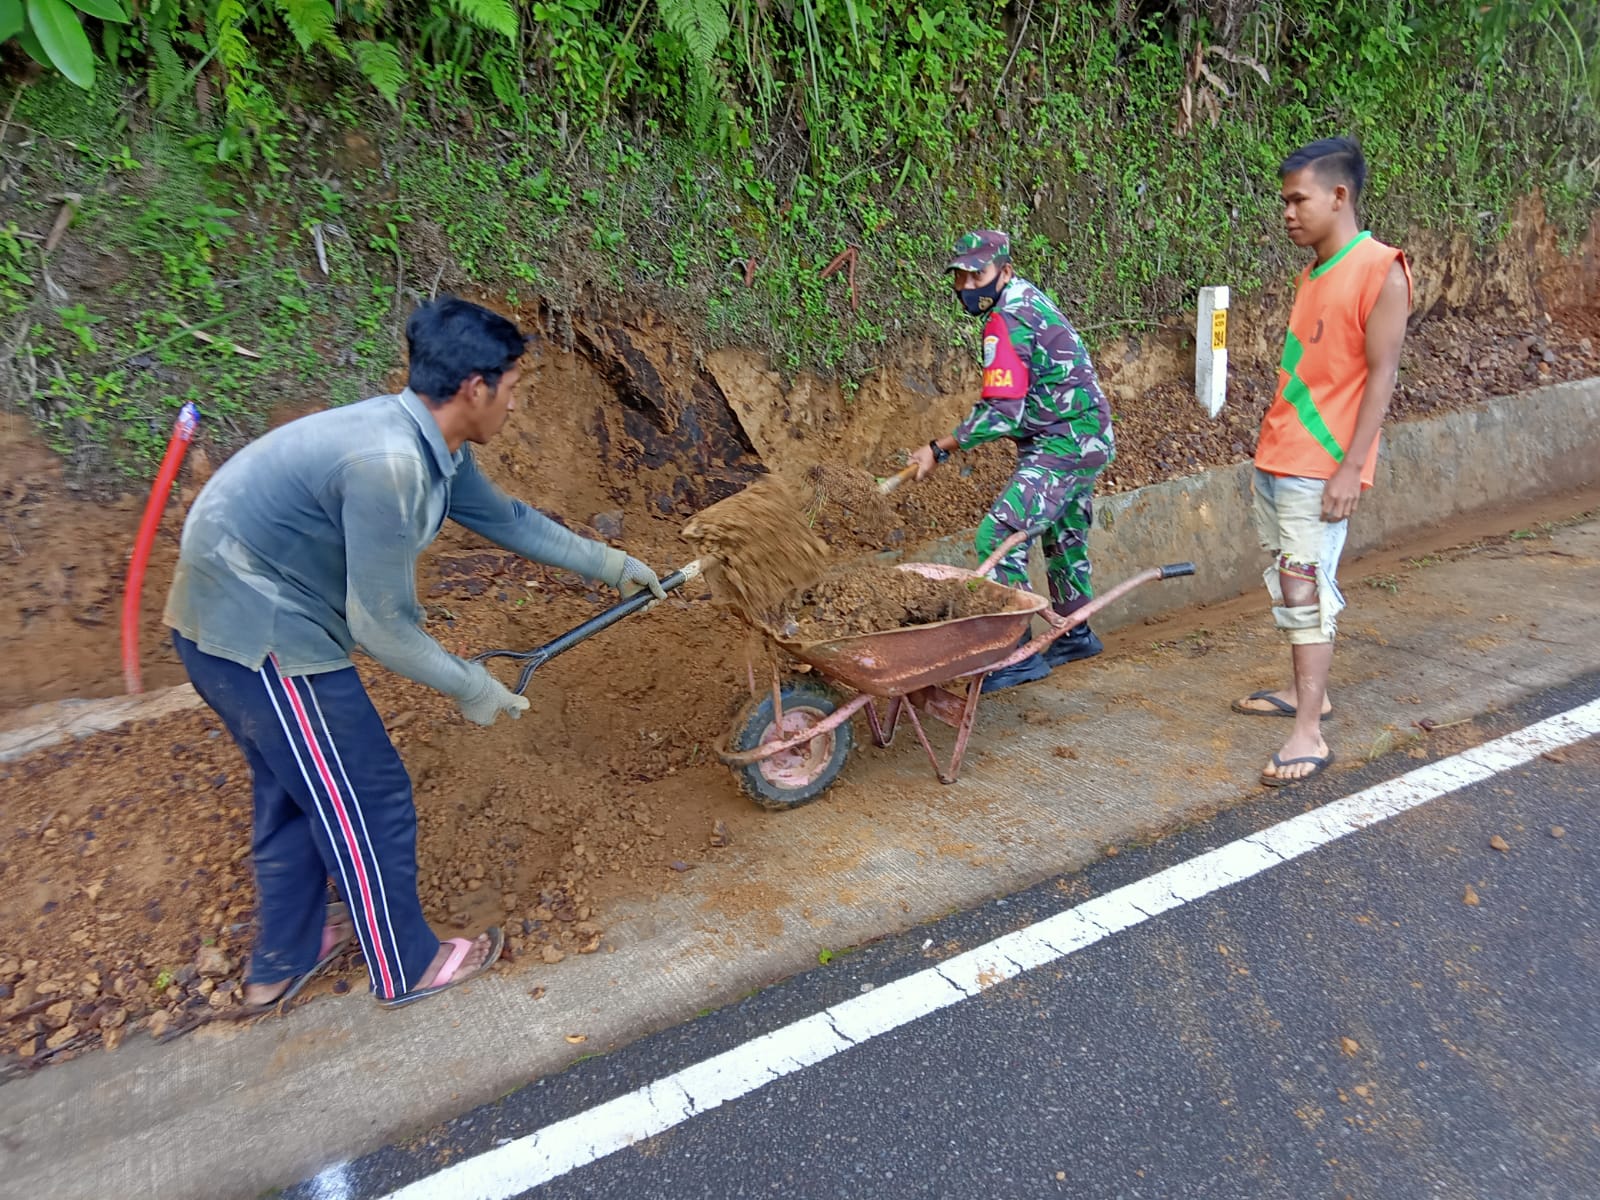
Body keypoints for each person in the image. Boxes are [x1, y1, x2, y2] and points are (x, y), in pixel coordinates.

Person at [164, 297, 668, 1010]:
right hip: (259, 635)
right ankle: (406, 962)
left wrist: (611, 564)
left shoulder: (429, 441)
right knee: (367, 798)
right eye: (516, 388)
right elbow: (383, 625)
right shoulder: (390, 465)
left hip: (235, 621)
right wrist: (470, 685)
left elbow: (508, 520)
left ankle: (286, 954)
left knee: (298, 788)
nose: (517, 405)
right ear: (475, 388)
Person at [1233, 137, 1411, 786]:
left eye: (1297, 199)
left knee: (1306, 592)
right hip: (1279, 456)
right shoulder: (1313, 274)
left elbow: (1382, 376)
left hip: (1321, 466)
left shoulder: (1381, 270)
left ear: (1339, 197)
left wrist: (1350, 468)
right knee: (1289, 583)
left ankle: (1308, 733)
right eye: (1284, 201)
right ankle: (1313, 694)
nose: (1287, 212)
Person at [908, 229, 1116, 692]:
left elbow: (1003, 411)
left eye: (976, 275)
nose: (966, 287)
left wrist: (939, 448)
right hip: (1086, 435)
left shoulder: (1007, 320)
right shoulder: (1025, 298)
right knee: (1062, 535)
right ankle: (1074, 633)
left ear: (1005, 271)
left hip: (1064, 444)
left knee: (1000, 533)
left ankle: (1015, 655)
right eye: (960, 277)